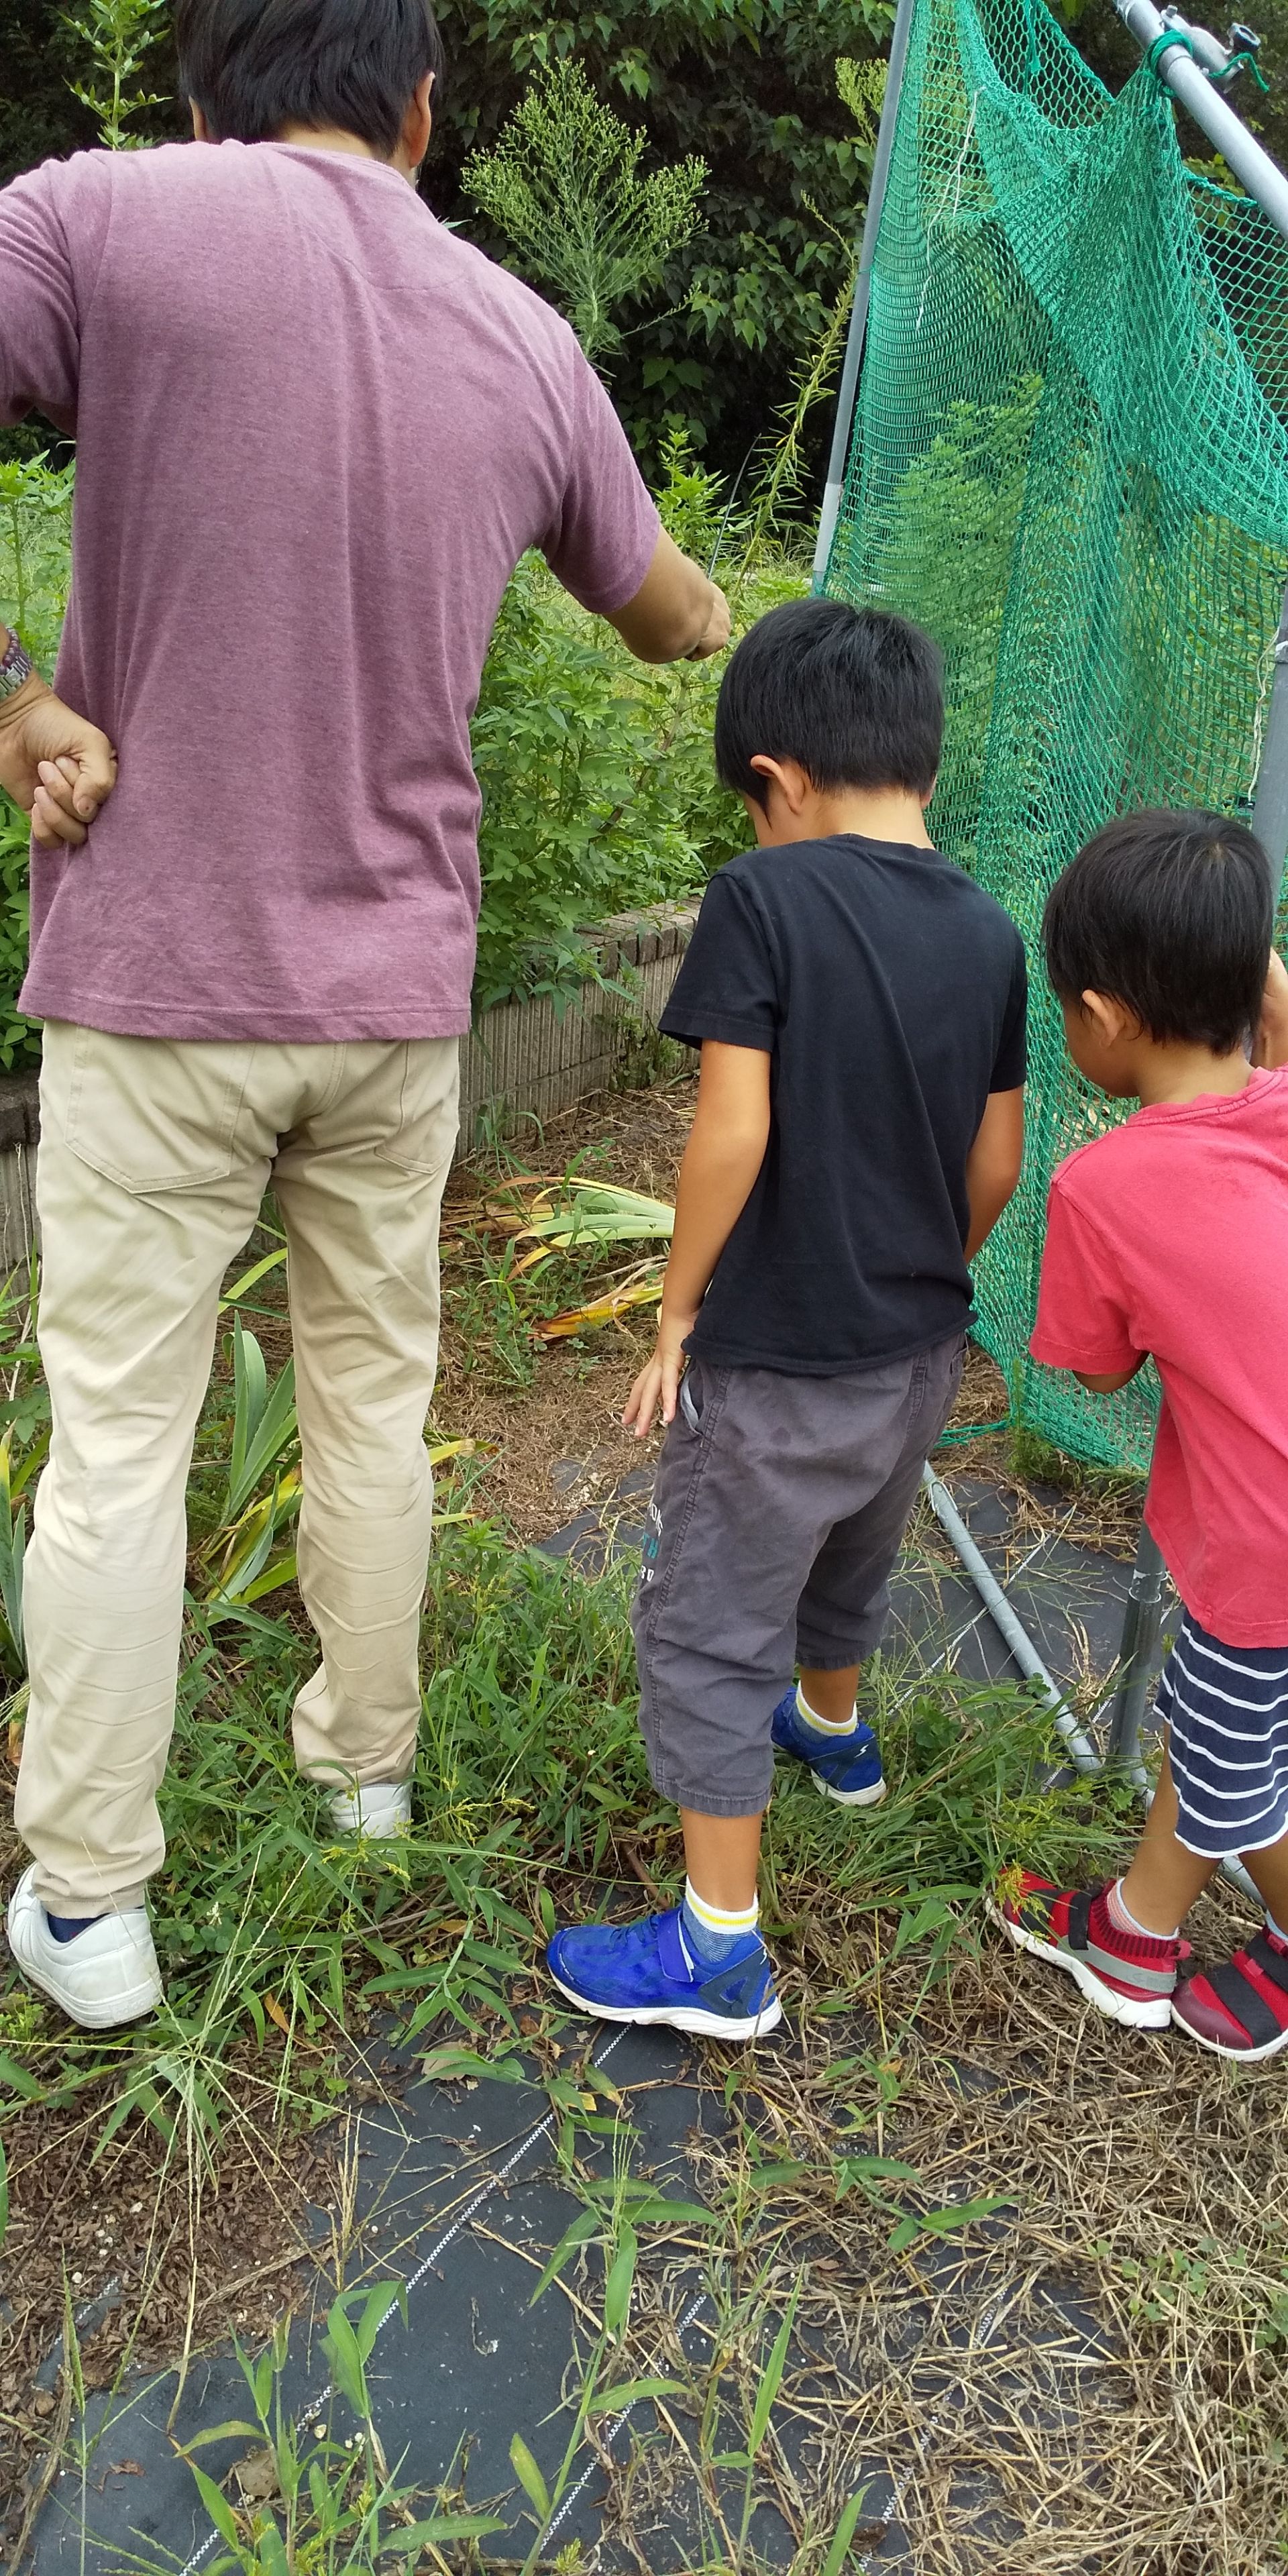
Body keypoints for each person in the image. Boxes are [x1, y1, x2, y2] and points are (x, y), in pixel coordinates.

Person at [0, 0, 729, 2033]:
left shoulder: (97, 219)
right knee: (373, 1401)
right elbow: (665, 606)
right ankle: (367, 1776)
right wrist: (720, 619)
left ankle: (91, 1901)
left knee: (121, 1444)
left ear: (203, 93)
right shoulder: (519, 332)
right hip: (395, 1008)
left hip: (161, 984)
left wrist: (17, 701)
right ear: (420, 108)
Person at [545, 596, 1028, 2041]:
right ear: (919, 758)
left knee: (709, 1627)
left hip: (776, 1368)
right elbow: (999, 1160)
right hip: (919, 1354)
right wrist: (923, 1271)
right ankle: (832, 1729)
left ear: (777, 779)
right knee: (854, 1554)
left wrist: (676, 1310)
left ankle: (718, 1951)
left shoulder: (762, 899)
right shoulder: (990, 929)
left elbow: (733, 1131)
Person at [994, 810, 1288, 2060]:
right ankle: (1136, 1924)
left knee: (1229, 1766)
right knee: (1239, 1726)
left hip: (1262, 1549)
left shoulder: (1103, 1186)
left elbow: (1099, 1368)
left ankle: (1189, 1936)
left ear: (1106, 1017)